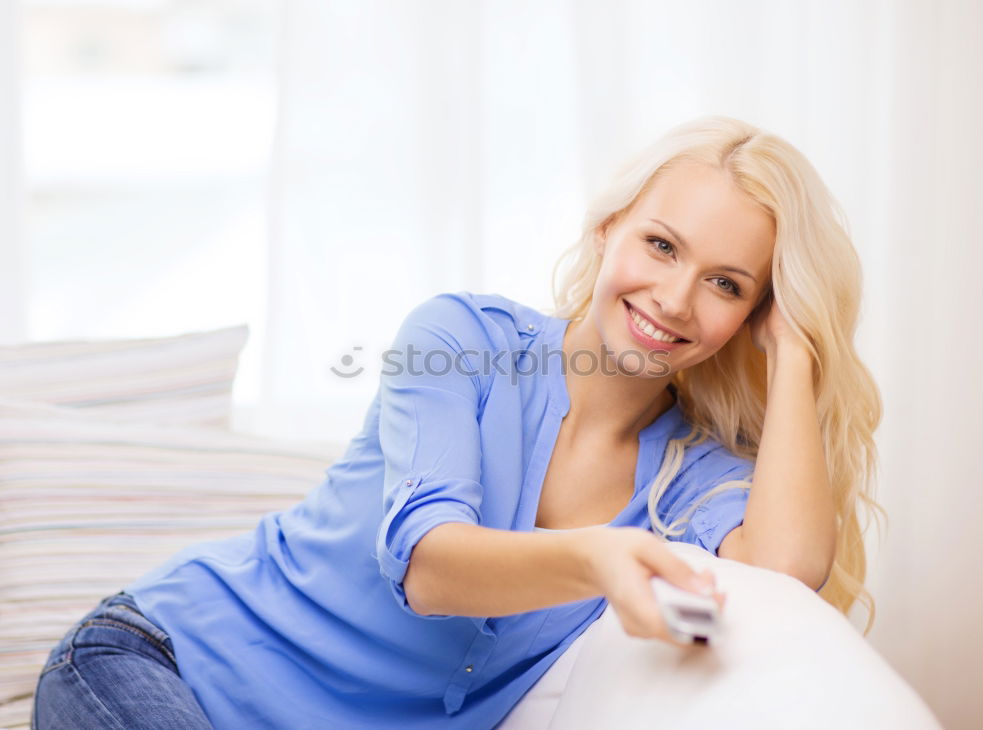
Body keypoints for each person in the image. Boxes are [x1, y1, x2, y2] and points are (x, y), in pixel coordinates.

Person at [31, 115, 882, 729]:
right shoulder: (460, 342)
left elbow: (785, 568)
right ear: (607, 227)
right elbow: (429, 566)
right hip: (157, 662)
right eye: (661, 245)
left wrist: (800, 352)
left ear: (755, 314)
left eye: (727, 284)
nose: (673, 297)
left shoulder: (692, 474)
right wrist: (598, 557)